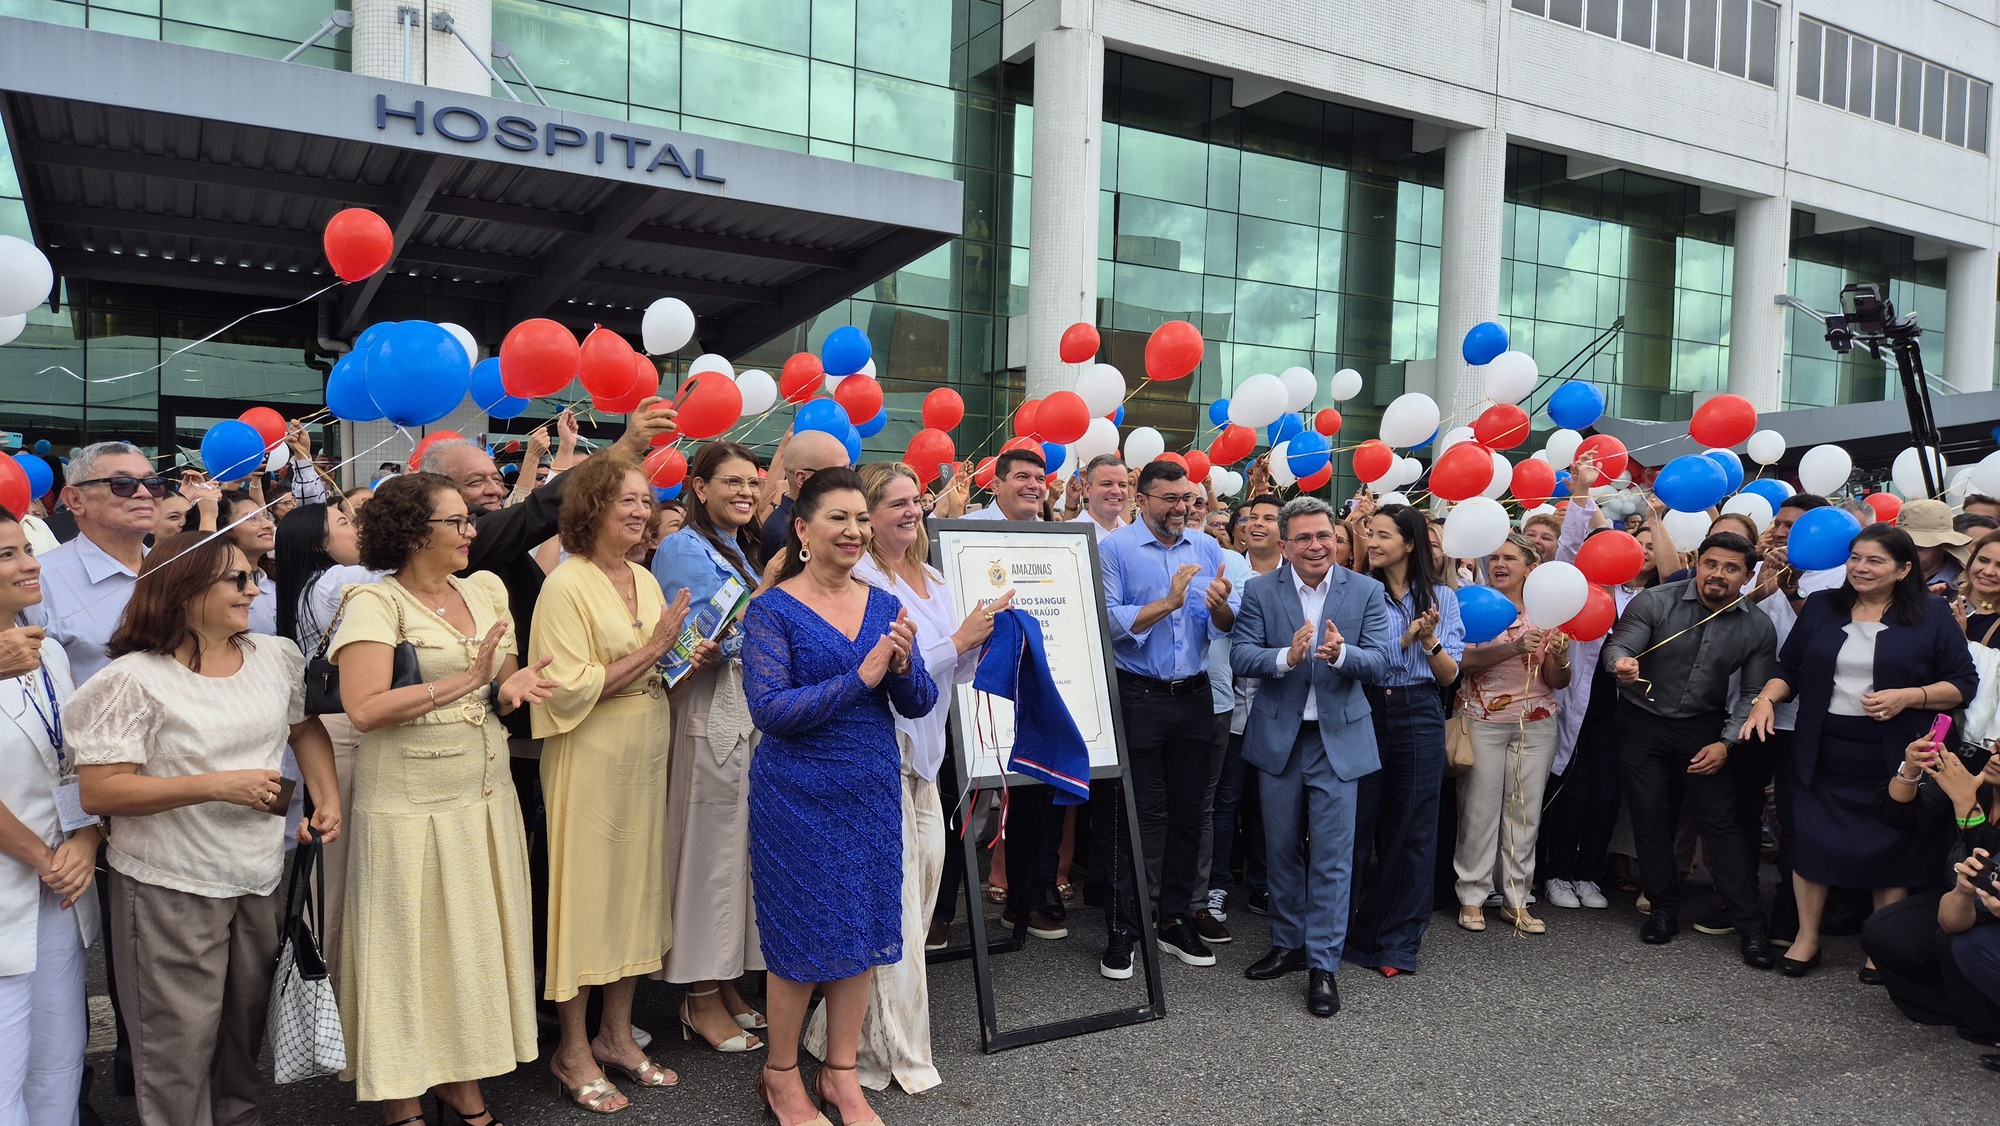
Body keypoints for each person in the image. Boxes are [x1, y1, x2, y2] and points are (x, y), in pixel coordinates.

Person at [70, 531, 341, 1126]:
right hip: (170, 882)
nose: (253, 588)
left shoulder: (275, 656)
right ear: (184, 590)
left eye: (253, 576)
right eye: (236, 579)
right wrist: (216, 784)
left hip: (258, 873)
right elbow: (101, 791)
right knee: (176, 1049)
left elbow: (304, 728)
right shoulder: (132, 680)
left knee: (241, 1043)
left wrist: (326, 796)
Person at [330, 473, 559, 1126]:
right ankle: (401, 1092)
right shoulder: (373, 604)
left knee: (469, 950)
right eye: (456, 522)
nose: (470, 532)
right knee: (406, 951)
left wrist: (512, 688)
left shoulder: (486, 588)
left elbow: (500, 680)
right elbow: (365, 709)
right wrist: (468, 679)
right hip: (407, 806)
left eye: (470, 521)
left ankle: (461, 1082)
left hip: (482, 797)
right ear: (411, 532)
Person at [740, 466, 937, 1126]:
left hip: (869, 792)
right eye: (838, 518)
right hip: (795, 798)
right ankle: (780, 1075)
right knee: (798, 941)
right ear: (802, 528)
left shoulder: (882, 603)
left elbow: (919, 700)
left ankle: (842, 1073)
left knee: (862, 931)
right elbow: (771, 710)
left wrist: (904, 670)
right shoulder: (771, 610)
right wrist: (864, 674)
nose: (854, 531)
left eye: (861, 518)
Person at [802, 462, 1006, 1093]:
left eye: (914, 502)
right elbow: (893, 667)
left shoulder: (936, 576)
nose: (909, 513)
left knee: (918, 901)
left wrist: (985, 641)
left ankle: (833, 1032)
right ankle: (890, 1054)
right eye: (892, 505)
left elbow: (951, 672)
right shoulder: (865, 579)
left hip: (927, 760)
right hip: (878, 755)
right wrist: (960, 639)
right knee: (893, 911)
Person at [1740, 524, 1977, 977]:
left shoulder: (1931, 613)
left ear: (1904, 569)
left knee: (1889, 845)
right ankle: (1807, 938)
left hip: (1894, 753)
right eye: (1855, 558)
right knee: (1811, 841)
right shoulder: (1824, 607)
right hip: (1821, 746)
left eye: (1875, 561)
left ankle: (1878, 941)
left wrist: (1909, 696)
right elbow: (1789, 667)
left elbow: (1963, 685)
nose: (1860, 568)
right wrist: (1766, 700)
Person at [531, 455, 693, 1114]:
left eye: (645, 500)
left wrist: (684, 654)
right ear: (590, 507)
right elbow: (567, 690)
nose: (639, 510)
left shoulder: (644, 578)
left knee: (633, 893)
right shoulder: (565, 585)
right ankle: (571, 1051)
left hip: (645, 748)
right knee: (585, 897)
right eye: (625, 499)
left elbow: (654, 663)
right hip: (589, 754)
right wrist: (658, 647)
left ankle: (616, 1037)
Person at [1229, 496, 1392, 1017]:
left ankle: (1323, 963)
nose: (1315, 545)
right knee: (1278, 849)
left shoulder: (1366, 590)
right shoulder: (1258, 590)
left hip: (1338, 742)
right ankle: (1287, 944)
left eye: (1323, 535)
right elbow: (1241, 654)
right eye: (1303, 538)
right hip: (1280, 739)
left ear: (1336, 538)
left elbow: (1384, 661)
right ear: (1285, 545)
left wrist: (1342, 654)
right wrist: (1286, 656)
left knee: (1332, 856)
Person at [1603, 531, 1776, 965]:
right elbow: (1619, 644)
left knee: (1722, 824)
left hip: (1704, 727)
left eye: (1731, 568)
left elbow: (1753, 693)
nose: (1718, 575)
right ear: (1698, 561)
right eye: (1711, 564)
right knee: (1650, 814)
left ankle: (1751, 927)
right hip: (1642, 722)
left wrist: (1725, 743)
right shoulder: (1656, 601)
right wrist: (1620, 664)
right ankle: (1663, 909)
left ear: (1747, 575)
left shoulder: (1758, 625)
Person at [649, 441, 770, 1052]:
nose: (746, 492)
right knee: (706, 852)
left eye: (753, 482)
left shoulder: (737, 549)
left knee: (734, 850)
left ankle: (722, 982)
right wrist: (767, 607)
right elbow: (687, 644)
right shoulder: (681, 546)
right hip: (704, 710)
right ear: (698, 487)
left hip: (742, 711)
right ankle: (696, 996)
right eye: (732, 482)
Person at [1098, 460, 1240, 977]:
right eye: (1170, 499)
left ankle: (1174, 918)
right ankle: (1124, 927)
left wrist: (1220, 606)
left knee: (1188, 813)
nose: (1182, 508)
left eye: (1188, 498)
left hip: (1196, 694)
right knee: (1135, 814)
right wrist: (1170, 601)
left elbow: (1222, 624)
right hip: (1138, 694)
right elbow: (1108, 622)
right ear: (1143, 498)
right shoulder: (1114, 548)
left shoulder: (1206, 548)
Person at [0, 507, 99, 1126]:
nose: (31, 564)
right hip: (19, 877)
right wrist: (42, 857)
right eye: (6, 555)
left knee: (59, 1058)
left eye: (25, 549)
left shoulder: (49, 654)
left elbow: (76, 758)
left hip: (62, 881)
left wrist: (85, 839)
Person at [1348, 504, 1462, 974]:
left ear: (1410, 544)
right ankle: (1344, 932)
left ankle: (1398, 942)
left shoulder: (1443, 598)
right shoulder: (1355, 592)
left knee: (1413, 828)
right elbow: (1354, 658)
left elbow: (1449, 675)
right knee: (1355, 824)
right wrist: (1404, 639)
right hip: (1365, 706)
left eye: (1382, 536)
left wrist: (1429, 640)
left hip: (1418, 710)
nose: (1371, 543)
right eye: (1369, 534)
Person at [274, 501, 377, 982]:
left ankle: (326, 980)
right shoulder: (340, 580)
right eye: (344, 523)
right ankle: (328, 984)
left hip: (329, 726)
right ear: (319, 544)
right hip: (343, 729)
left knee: (333, 869)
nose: (356, 530)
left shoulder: (306, 587)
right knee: (338, 871)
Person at [1453, 533, 1571, 935]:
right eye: (1495, 557)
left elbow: (1558, 681)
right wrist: (1514, 647)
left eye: (1509, 558)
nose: (1499, 564)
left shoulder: (1548, 612)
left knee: (1524, 813)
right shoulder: (1473, 604)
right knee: (1479, 812)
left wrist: (1561, 658)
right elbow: (1461, 661)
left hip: (1537, 721)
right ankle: (1472, 896)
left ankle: (1517, 898)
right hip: (1482, 721)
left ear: (1530, 567)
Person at [1863, 730, 2000, 1042]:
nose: (1994, 757)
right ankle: (1956, 1008)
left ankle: (1985, 1021)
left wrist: (1966, 805)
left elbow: (1988, 872)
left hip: (1989, 906)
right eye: (1996, 747)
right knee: (1883, 931)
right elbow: (1898, 814)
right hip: (1959, 895)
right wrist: (1910, 771)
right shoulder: (1975, 780)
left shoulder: (1968, 790)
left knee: (1954, 939)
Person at [26, 442, 165, 684]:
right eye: (122, 484)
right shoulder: (39, 581)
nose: (144, 493)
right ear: (75, 500)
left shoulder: (176, 570)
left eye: (153, 483)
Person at [1208, 493, 1283, 924]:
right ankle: (1217, 883)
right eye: (1252, 517)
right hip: (1231, 707)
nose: (1258, 524)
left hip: (1276, 709)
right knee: (1224, 801)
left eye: (1269, 518)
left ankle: (1265, 884)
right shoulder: (1226, 571)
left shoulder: (1297, 578)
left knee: (1268, 803)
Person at [757, 429, 852, 560]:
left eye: (850, 469)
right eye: (839, 471)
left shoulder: (808, 520)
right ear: (802, 479)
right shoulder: (787, 535)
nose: (849, 478)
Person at [219, 490, 279, 636]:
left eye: (267, 516)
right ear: (224, 529)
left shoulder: (275, 586)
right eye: (252, 518)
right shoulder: (215, 589)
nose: (268, 525)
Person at [1900, 498, 1971, 593]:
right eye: (1900, 545)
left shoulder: (1964, 586)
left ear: (1943, 546)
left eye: (1919, 547)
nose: (1907, 552)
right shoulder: (1886, 578)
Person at [965, 447, 1047, 524]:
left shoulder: (1054, 536)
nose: (1034, 485)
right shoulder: (965, 529)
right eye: (1022, 477)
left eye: (1040, 479)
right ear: (996, 485)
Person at [1069, 453, 1129, 541]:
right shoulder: (1066, 534)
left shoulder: (1136, 538)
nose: (1116, 491)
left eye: (1122, 485)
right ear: (1088, 488)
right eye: (1107, 484)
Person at [1957, 529, 2000, 647]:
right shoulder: (1942, 593)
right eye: (1983, 560)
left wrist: (1959, 639)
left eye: (1999, 566)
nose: (1988, 571)